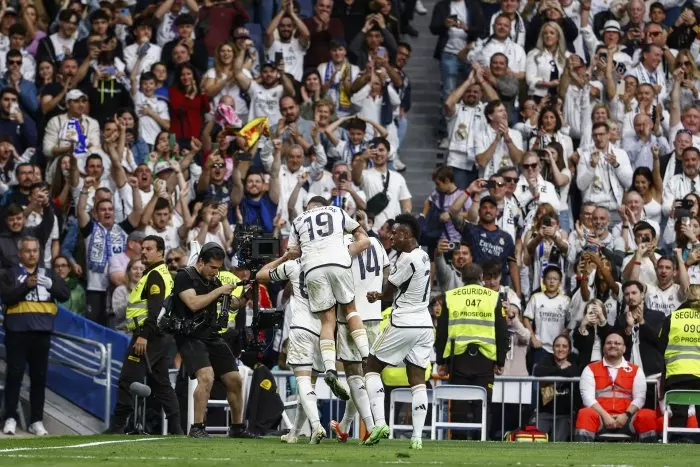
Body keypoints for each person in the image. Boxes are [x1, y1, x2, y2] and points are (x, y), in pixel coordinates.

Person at [286, 196, 370, 400]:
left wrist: (306, 250)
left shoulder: (298, 220)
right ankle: (367, 355)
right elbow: (362, 236)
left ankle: (330, 368)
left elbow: (291, 252)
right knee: (350, 309)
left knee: (327, 320)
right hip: (339, 261)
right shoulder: (337, 211)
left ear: (309, 207)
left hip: (313, 268)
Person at [364, 213, 434, 449]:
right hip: (424, 324)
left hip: (404, 321)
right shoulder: (424, 255)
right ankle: (416, 437)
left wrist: (376, 295)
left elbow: (387, 293)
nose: (390, 236)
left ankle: (381, 423)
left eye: (395, 233)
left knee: (371, 367)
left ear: (407, 235)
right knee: (417, 380)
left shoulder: (406, 259)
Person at [171, 242, 255, 438]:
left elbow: (232, 304)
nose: (216, 273)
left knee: (234, 379)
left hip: (211, 335)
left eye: (218, 268)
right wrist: (218, 291)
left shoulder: (213, 281)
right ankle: (197, 427)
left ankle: (237, 427)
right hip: (189, 336)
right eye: (213, 268)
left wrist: (245, 296)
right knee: (206, 376)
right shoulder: (186, 276)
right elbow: (192, 303)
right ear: (201, 262)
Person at [107, 236, 183, 435]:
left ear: (160, 252)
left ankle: (117, 426)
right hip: (160, 336)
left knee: (127, 379)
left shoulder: (155, 275)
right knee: (161, 382)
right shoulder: (161, 274)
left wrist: (143, 336)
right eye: (142, 248)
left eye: (149, 248)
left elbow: (155, 308)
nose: (144, 252)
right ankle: (176, 428)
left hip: (148, 336)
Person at [0, 236, 70, 436]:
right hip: (17, 332)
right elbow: (6, 297)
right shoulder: (10, 273)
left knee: (39, 379)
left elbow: (64, 294)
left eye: (35, 250)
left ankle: (36, 421)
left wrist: (51, 286)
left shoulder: (48, 273)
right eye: (28, 251)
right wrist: (26, 287)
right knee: (14, 376)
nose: (32, 254)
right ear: (20, 253)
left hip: (41, 333)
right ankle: (10, 418)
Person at [256, 252, 328, 444]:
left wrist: (283, 257)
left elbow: (260, 275)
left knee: (303, 382)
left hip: (302, 327)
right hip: (324, 330)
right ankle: (294, 433)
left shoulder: (293, 265)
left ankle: (317, 425)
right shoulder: (327, 264)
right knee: (309, 387)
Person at [435, 263, 506, 440]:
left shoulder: (451, 297)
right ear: (481, 277)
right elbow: (502, 332)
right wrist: (501, 361)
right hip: (485, 360)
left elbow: (442, 331)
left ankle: (458, 440)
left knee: (458, 404)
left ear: (462, 278)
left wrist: (440, 362)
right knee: (482, 404)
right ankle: (480, 440)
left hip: (458, 359)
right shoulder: (493, 297)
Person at [331, 234, 390, 441]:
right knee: (368, 374)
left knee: (354, 373)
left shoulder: (341, 242)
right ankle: (346, 426)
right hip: (374, 315)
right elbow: (386, 273)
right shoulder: (376, 241)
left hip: (350, 314)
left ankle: (372, 428)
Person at [574, 331, 658, 442]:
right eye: (609, 343)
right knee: (585, 413)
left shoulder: (636, 370)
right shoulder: (590, 368)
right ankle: (581, 456)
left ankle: (650, 458)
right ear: (603, 347)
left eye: (617, 343)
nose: (613, 345)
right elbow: (587, 398)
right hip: (600, 417)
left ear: (624, 348)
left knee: (648, 415)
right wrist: (605, 416)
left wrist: (625, 415)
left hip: (628, 418)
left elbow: (640, 398)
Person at [658, 284, 700, 441]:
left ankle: (676, 446)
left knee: (679, 415)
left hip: (677, 374)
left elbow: (661, 345)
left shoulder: (673, 317)